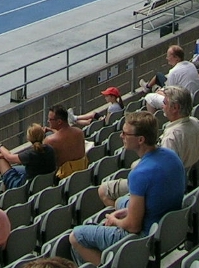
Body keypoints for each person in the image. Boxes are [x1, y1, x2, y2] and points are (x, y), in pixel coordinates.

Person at [68, 113, 185, 265]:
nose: (121, 136)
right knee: (120, 202)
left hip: (146, 234)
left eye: (125, 133)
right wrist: (124, 212)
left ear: (140, 139)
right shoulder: (171, 155)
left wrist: (114, 220)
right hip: (168, 223)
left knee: (76, 236)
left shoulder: (140, 174)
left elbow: (133, 226)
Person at [0, 123, 56, 189]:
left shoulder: (30, 154)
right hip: (39, 184)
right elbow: (12, 157)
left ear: (28, 138)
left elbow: (9, 157)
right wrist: (1, 155)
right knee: (6, 162)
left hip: (21, 186)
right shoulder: (50, 149)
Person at [139, 45, 199, 113]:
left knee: (149, 97)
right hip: (195, 98)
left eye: (168, 56)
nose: (166, 58)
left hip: (183, 103)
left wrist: (159, 92)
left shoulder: (173, 72)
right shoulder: (191, 65)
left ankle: (153, 121)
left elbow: (170, 96)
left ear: (176, 58)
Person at [44, 105, 87, 179]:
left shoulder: (50, 140)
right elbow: (63, 133)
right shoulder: (79, 132)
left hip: (63, 178)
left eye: (50, 119)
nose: (48, 121)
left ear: (59, 121)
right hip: (81, 174)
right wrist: (52, 130)